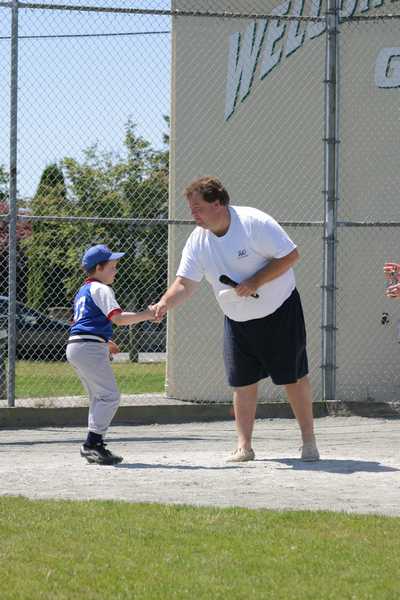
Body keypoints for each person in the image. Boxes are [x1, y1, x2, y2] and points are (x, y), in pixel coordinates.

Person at [152, 177, 319, 462]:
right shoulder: (198, 240)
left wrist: (255, 281)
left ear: (218, 203)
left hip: (280, 310)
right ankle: (244, 446)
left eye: (198, 208)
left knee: (292, 377)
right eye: (191, 209)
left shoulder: (253, 222)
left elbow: (291, 255)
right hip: (237, 319)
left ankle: (309, 442)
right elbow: (185, 284)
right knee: (242, 382)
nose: (193, 215)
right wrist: (164, 303)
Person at [66, 244, 156, 465]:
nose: (116, 271)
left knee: (99, 397)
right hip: (88, 347)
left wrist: (104, 342)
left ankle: (93, 445)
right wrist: (148, 314)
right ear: (99, 268)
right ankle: (92, 444)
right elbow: (118, 319)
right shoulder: (101, 289)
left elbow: (85, 322)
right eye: (112, 266)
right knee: (109, 396)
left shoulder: (83, 290)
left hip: (78, 346)